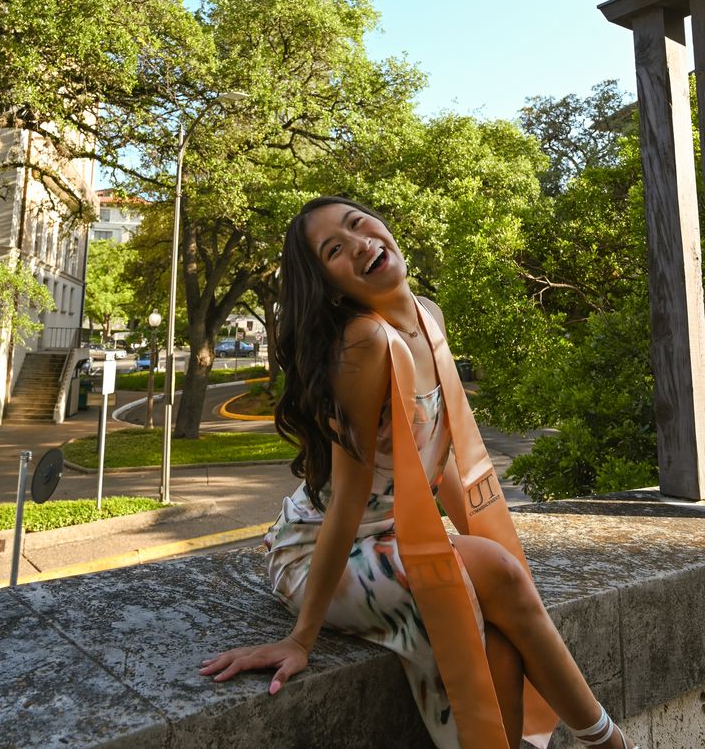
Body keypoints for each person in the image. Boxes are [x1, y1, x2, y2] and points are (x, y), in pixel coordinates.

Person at [200, 196, 638, 749]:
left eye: (359, 224)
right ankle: (609, 743)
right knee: (499, 575)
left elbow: (440, 456)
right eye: (335, 249)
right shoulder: (364, 343)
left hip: (394, 536)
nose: (359, 242)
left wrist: (488, 547)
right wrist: (301, 639)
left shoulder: (429, 315)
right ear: (330, 286)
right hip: (318, 555)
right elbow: (347, 498)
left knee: (499, 641)